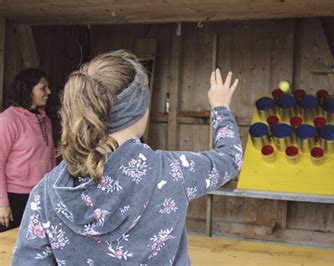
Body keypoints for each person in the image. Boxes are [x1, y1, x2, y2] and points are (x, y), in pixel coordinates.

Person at [12, 50, 242, 265]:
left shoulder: (46, 191)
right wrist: (220, 108)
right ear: (139, 109)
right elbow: (231, 157)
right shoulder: (174, 171)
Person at [0, 68, 56, 232]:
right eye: (43, 88)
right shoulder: (8, 120)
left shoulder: (45, 120)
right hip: (14, 197)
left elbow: (51, 159)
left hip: (40, 195)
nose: (49, 92)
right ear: (27, 89)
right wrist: (2, 203)